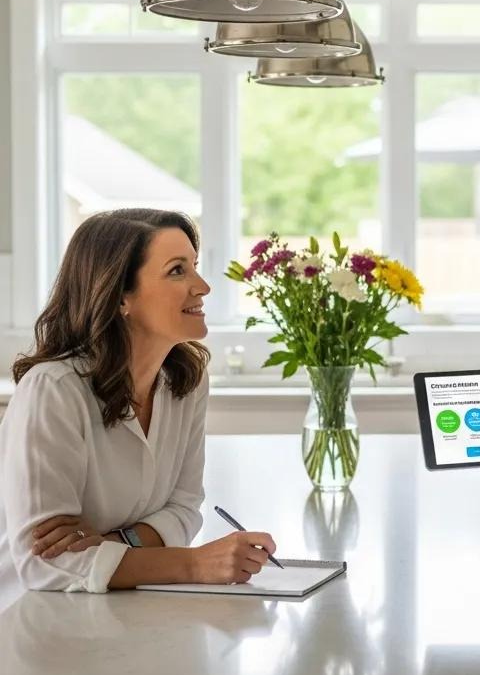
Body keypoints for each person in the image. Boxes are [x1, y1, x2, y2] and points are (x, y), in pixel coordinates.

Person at [0, 209, 277, 613]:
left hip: (122, 610)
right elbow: (46, 564)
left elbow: (184, 509)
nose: (202, 287)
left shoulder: (187, 380)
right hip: (31, 621)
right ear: (120, 296)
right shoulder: (53, 390)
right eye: (177, 271)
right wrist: (196, 564)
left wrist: (114, 545)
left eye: (194, 267)